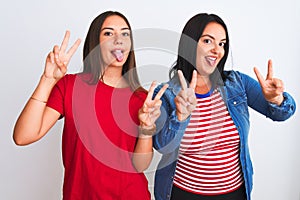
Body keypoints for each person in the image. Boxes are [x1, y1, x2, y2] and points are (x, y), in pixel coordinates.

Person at [134, 13, 296, 200]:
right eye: (208, 41)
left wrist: (277, 100)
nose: (217, 50)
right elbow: (162, 146)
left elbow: (282, 114)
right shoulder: (166, 93)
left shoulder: (238, 83)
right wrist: (180, 117)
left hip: (234, 194)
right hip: (183, 194)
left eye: (222, 44)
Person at [13, 11, 167, 200]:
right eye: (109, 33)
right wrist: (46, 80)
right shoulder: (70, 86)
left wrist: (146, 129)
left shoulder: (142, 98)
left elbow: (140, 166)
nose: (119, 39)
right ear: (95, 43)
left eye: (125, 34)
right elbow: (23, 136)